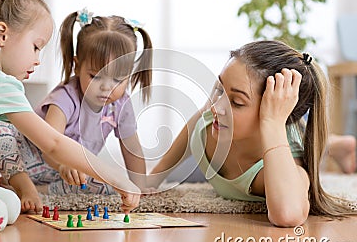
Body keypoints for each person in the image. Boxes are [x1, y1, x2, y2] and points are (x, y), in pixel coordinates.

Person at [0, 0, 139, 232]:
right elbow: (53, 143)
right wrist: (118, 179)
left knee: (10, 202)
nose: (38, 59)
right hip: (36, 163)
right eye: (35, 47)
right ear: (2, 35)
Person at [150, 40, 355, 227]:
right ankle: (337, 145)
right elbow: (197, 120)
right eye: (220, 90)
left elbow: (289, 214)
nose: (215, 108)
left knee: (306, 141)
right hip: (217, 153)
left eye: (237, 102)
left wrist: (273, 123)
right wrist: (155, 175)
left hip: (279, 137)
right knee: (177, 175)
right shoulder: (215, 115)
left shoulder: (284, 167)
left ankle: (336, 146)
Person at [0, 8, 152, 213]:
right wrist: (63, 164)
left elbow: (132, 149)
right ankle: (23, 185)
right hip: (30, 160)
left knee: (109, 185)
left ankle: (44, 190)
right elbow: (50, 145)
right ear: (77, 66)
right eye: (95, 76)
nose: (106, 87)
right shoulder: (65, 97)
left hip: (67, 173)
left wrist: (139, 185)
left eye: (118, 80)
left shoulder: (121, 105)